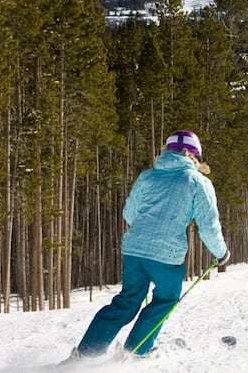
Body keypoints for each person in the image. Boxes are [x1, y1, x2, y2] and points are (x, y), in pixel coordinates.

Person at [70, 130, 229, 359]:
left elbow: (130, 213)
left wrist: (148, 230)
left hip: (134, 250)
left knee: (127, 300)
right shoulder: (198, 182)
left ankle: (87, 353)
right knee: (165, 299)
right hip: (166, 255)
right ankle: (136, 351)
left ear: (167, 150)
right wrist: (221, 253)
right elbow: (208, 226)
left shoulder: (148, 176)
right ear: (195, 155)